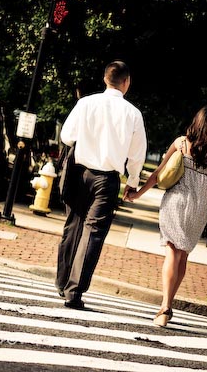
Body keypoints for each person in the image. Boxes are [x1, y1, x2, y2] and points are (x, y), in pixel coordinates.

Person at [126, 105, 207, 326]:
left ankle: (165, 306)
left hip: (176, 200)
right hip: (200, 206)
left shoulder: (181, 143)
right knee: (182, 255)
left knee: (171, 252)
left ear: (196, 122)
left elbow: (159, 174)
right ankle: (168, 304)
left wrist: (138, 194)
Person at [56, 60, 148, 310]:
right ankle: (74, 292)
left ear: (105, 79)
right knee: (93, 233)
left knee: (73, 225)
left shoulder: (86, 103)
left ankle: (62, 281)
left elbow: (66, 136)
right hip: (107, 180)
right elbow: (137, 154)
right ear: (126, 82)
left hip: (79, 173)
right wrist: (132, 182)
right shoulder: (133, 114)